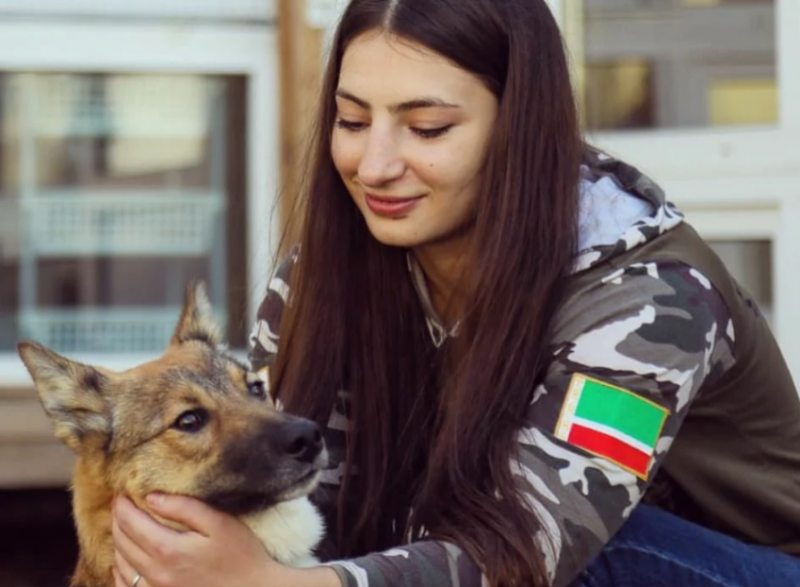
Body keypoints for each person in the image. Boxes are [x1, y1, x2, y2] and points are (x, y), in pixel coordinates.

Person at [110, 0, 800, 586]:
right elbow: (314, 492)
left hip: (728, 564)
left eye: (428, 128)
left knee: (589, 540)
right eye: (352, 121)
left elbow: (536, 546)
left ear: (520, 126)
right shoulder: (324, 273)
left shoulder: (652, 300)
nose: (373, 165)